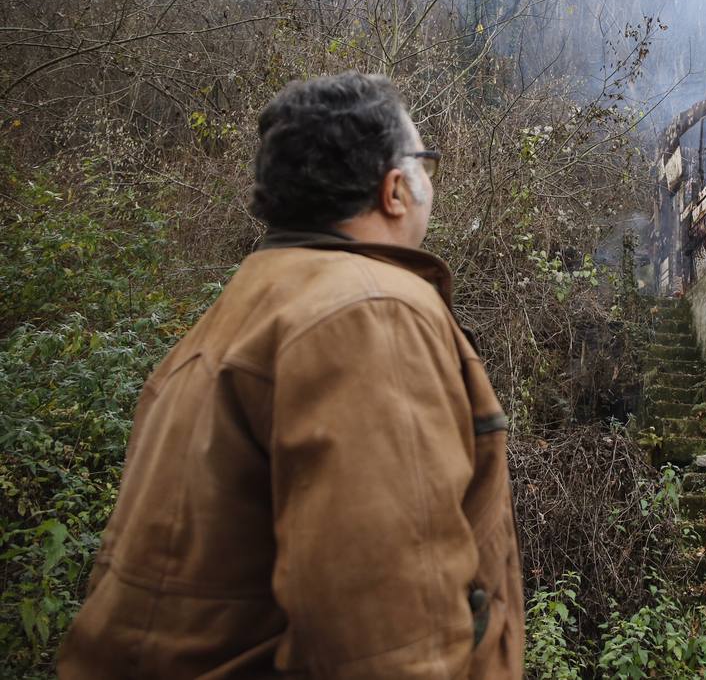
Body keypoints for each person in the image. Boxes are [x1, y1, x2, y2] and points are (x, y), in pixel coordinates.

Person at [58, 72, 524, 678]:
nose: (431, 182)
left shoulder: (234, 315)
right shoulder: (369, 312)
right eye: (425, 163)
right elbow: (389, 638)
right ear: (393, 190)